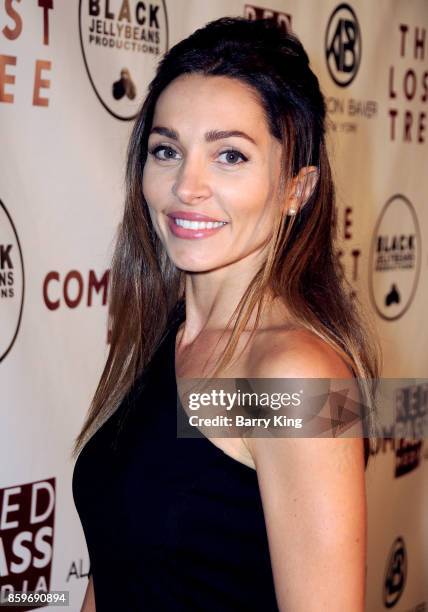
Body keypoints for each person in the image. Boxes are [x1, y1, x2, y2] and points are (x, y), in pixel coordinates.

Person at [72, 16, 381, 612]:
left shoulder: (293, 376)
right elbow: (119, 571)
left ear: (298, 187)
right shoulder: (173, 337)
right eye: (167, 150)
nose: (187, 186)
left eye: (230, 156)